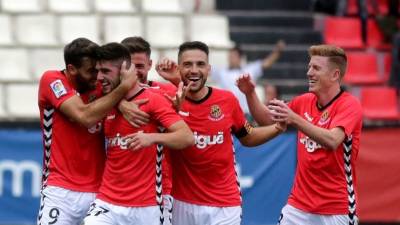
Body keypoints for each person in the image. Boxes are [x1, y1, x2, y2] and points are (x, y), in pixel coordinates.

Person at [156, 41, 287, 225]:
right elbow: (136, 89)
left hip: (224, 204)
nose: (194, 70)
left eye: (200, 64)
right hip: (181, 203)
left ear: (209, 69)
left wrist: (277, 129)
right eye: (187, 64)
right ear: (178, 68)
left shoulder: (227, 100)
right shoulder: (166, 98)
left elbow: (248, 136)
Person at [237, 44, 363, 225]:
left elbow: (333, 140)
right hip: (298, 205)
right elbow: (267, 121)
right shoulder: (304, 101)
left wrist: (294, 119)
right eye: (309, 66)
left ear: (335, 75)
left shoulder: (350, 105)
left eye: (316, 68)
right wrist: (250, 94)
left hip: (336, 207)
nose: (309, 73)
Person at [83, 42, 194, 225]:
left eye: (105, 71)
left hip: (149, 204)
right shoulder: (105, 100)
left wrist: (151, 138)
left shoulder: (154, 100)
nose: (99, 77)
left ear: (125, 71)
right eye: (98, 71)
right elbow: (84, 115)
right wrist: (120, 101)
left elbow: (187, 137)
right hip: (108, 201)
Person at [37, 38, 137, 225]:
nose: (97, 77)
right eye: (91, 71)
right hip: (60, 190)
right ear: (72, 69)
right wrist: (122, 90)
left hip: (100, 191)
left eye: (99, 70)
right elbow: (84, 117)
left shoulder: (101, 88)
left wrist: (121, 102)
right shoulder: (52, 80)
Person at [120, 36, 178, 225]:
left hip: (157, 191)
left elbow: (191, 128)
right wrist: (120, 103)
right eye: (130, 66)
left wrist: (178, 80)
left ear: (150, 64)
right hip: (116, 192)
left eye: (140, 65)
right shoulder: (109, 95)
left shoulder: (167, 92)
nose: (135, 72)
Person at [211, 40, 285, 115]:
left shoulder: (250, 70)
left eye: (233, 56)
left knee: (249, 127)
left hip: (247, 113)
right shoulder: (221, 72)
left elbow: (267, 63)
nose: (231, 58)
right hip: (228, 113)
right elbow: (206, 68)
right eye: (230, 56)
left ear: (240, 58)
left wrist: (278, 51)